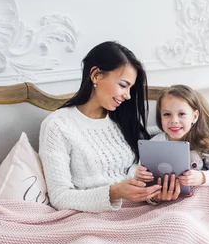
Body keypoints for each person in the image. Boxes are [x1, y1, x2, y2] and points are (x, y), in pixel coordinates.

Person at [39, 41, 181, 212]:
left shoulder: (121, 120)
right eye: (123, 85)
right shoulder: (58, 125)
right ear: (96, 75)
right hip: (92, 216)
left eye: (130, 88)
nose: (128, 96)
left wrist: (154, 196)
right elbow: (60, 197)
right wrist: (113, 193)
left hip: (137, 210)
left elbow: (153, 135)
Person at [134, 85, 209, 196]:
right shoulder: (153, 145)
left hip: (196, 196)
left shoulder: (203, 144)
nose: (174, 120)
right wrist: (138, 174)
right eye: (167, 114)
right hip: (160, 197)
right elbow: (137, 169)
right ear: (160, 117)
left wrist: (202, 177)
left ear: (194, 117)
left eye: (182, 114)